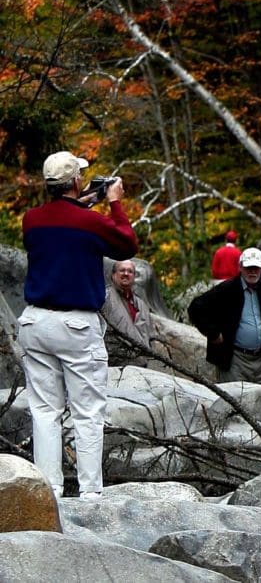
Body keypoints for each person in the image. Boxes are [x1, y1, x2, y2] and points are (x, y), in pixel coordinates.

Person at [18, 151, 138, 499]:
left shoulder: (31, 219)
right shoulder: (91, 222)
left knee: (44, 410)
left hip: (36, 320)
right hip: (76, 325)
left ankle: (48, 492)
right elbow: (126, 243)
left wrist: (86, 202)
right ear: (75, 181)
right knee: (87, 412)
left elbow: (63, 221)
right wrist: (113, 203)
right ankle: (90, 494)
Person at [187, 247, 261, 384]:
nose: (253, 271)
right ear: (240, 267)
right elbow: (195, 308)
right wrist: (213, 333)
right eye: (249, 267)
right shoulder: (227, 289)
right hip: (235, 360)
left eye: (256, 268)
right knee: (234, 401)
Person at [99, 259, 153, 365]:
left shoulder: (141, 305)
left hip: (140, 363)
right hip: (113, 362)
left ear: (134, 276)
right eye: (122, 270)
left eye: (130, 271)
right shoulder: (105, 298)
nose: (126, 274)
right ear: (113, 275)